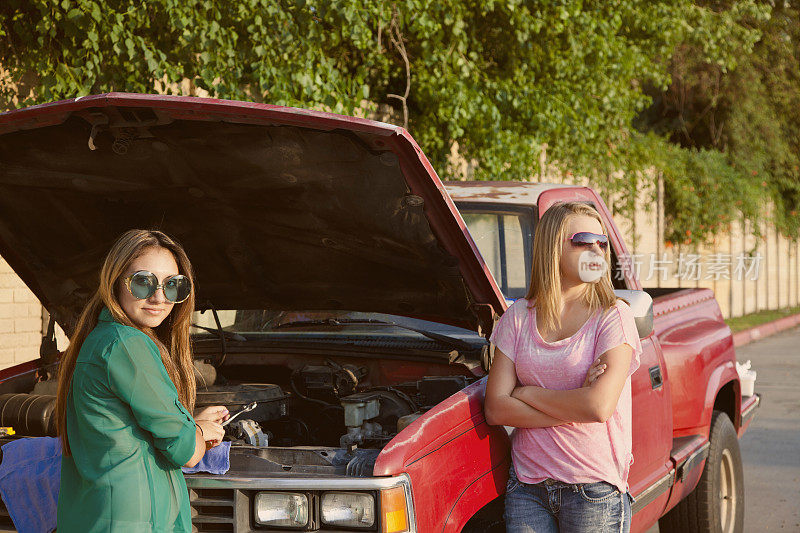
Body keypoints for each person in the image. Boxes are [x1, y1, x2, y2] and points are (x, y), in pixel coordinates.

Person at [55, 229, 229, 532]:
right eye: (143, 282)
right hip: (132, 521)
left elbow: (133, 429)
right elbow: (186, 452)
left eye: (173, 285)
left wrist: (192, 423)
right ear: (115, 282)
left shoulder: (105, 338)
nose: (159, 297)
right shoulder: (127, 345)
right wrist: (197, 431)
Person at [484, 201, 642, 532]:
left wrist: (525, 392)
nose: (596, 250)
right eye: (584, 241)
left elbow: (597, 406)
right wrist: (573, 402)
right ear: (553, 246)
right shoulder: (518, 318)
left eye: (602, 243)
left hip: (593, 490)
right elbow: (496, 410)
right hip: (527, 487)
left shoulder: (612, 316)